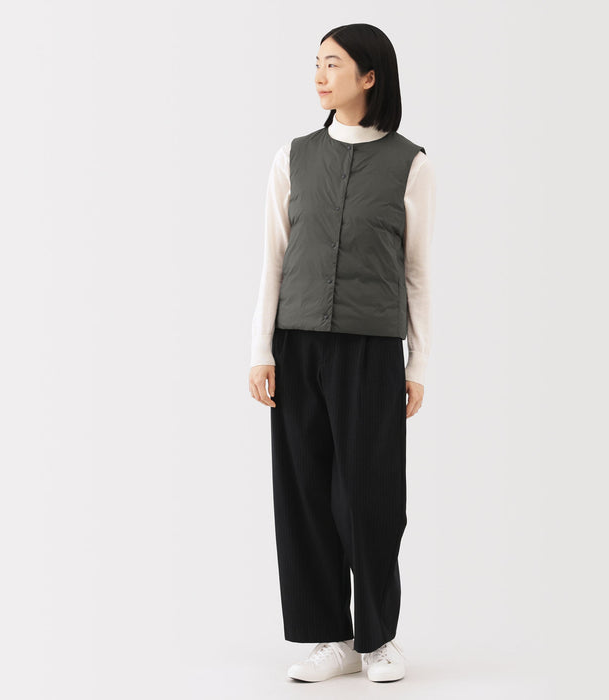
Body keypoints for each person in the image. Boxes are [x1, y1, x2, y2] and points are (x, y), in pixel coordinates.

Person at [248, 23, 436, 683]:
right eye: (317, 63)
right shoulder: (292, 157)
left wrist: (417, 363)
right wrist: (261, 349)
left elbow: (417, 272)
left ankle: (378, 639)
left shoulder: (411, 163)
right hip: (296, 345)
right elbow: (273, 259)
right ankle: (331, 638)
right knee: (303, 492)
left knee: (371, 496)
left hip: (371, 350)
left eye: (333, 64)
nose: (320, 76)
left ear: (370, 76)